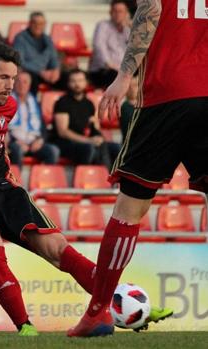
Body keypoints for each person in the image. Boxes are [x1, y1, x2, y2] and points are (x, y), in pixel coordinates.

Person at [0, 43, 171, 337]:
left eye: (14, 78)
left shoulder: (9, 105)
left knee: (59, 251)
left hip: (6, 190)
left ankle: (131, 303)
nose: (11, 86)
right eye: (4, 78)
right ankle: (26, 328)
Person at [68, 0, 205, 337]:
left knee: (130, 207)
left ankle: (98, 311)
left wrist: (123, 75)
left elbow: (151, 11)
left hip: (165, 96)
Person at [50, 69, 120, 168]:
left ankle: (109, 178)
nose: (77, 84)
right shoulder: (62, 102)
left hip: (83, 140)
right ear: (68, 83)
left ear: (85, 82)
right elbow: (63, 132)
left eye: (80, 80)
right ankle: (88, 177)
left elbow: (95, 127)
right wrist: (87, 140)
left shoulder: (88, 103)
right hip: (64, 142)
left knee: (115, 147)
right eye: (73, 81)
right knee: (89, 148)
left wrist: (97, 137)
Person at [7, 71, 59, 166]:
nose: (21, 85)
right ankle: (16, 180)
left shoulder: (35, 103)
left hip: (34, 142)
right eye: (18, 81)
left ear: (30, 85)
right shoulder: (5, 102)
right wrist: (15, 140)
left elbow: (43, 127)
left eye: (25, 82)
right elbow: (1, 126)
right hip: (15, 142)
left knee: (53, 151)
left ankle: (44, 179)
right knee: (16, 150)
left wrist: (40, 140)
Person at [13, 11, 60, 94]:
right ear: (30, 23)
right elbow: (20, 62)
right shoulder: (20, 38)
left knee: (68, 79)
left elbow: (54, 58)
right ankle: (32, 105)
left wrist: (56, 70)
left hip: (46, 74)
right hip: (30, 72)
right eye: (35, 23)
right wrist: (40, 72)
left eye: (41, 23)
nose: (38, 26)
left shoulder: (47, 39)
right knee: (30, 79)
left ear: (45, 24)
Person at [89, 0, 131, 89]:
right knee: (116, 75)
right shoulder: (103, 25)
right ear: (110, 12)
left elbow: (136, 46)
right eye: (115, 11)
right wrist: (109, 64)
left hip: (123, 70)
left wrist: (129, 27)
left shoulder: (128, 28)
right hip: (104, 70)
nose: (117, 14)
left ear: (126, 13)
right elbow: (99, 46)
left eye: (120, 12)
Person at [119, 75, 138, 140]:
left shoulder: (144, 105)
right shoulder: (124, 106)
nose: (132, 88)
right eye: (129, 86)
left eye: (135, 85)